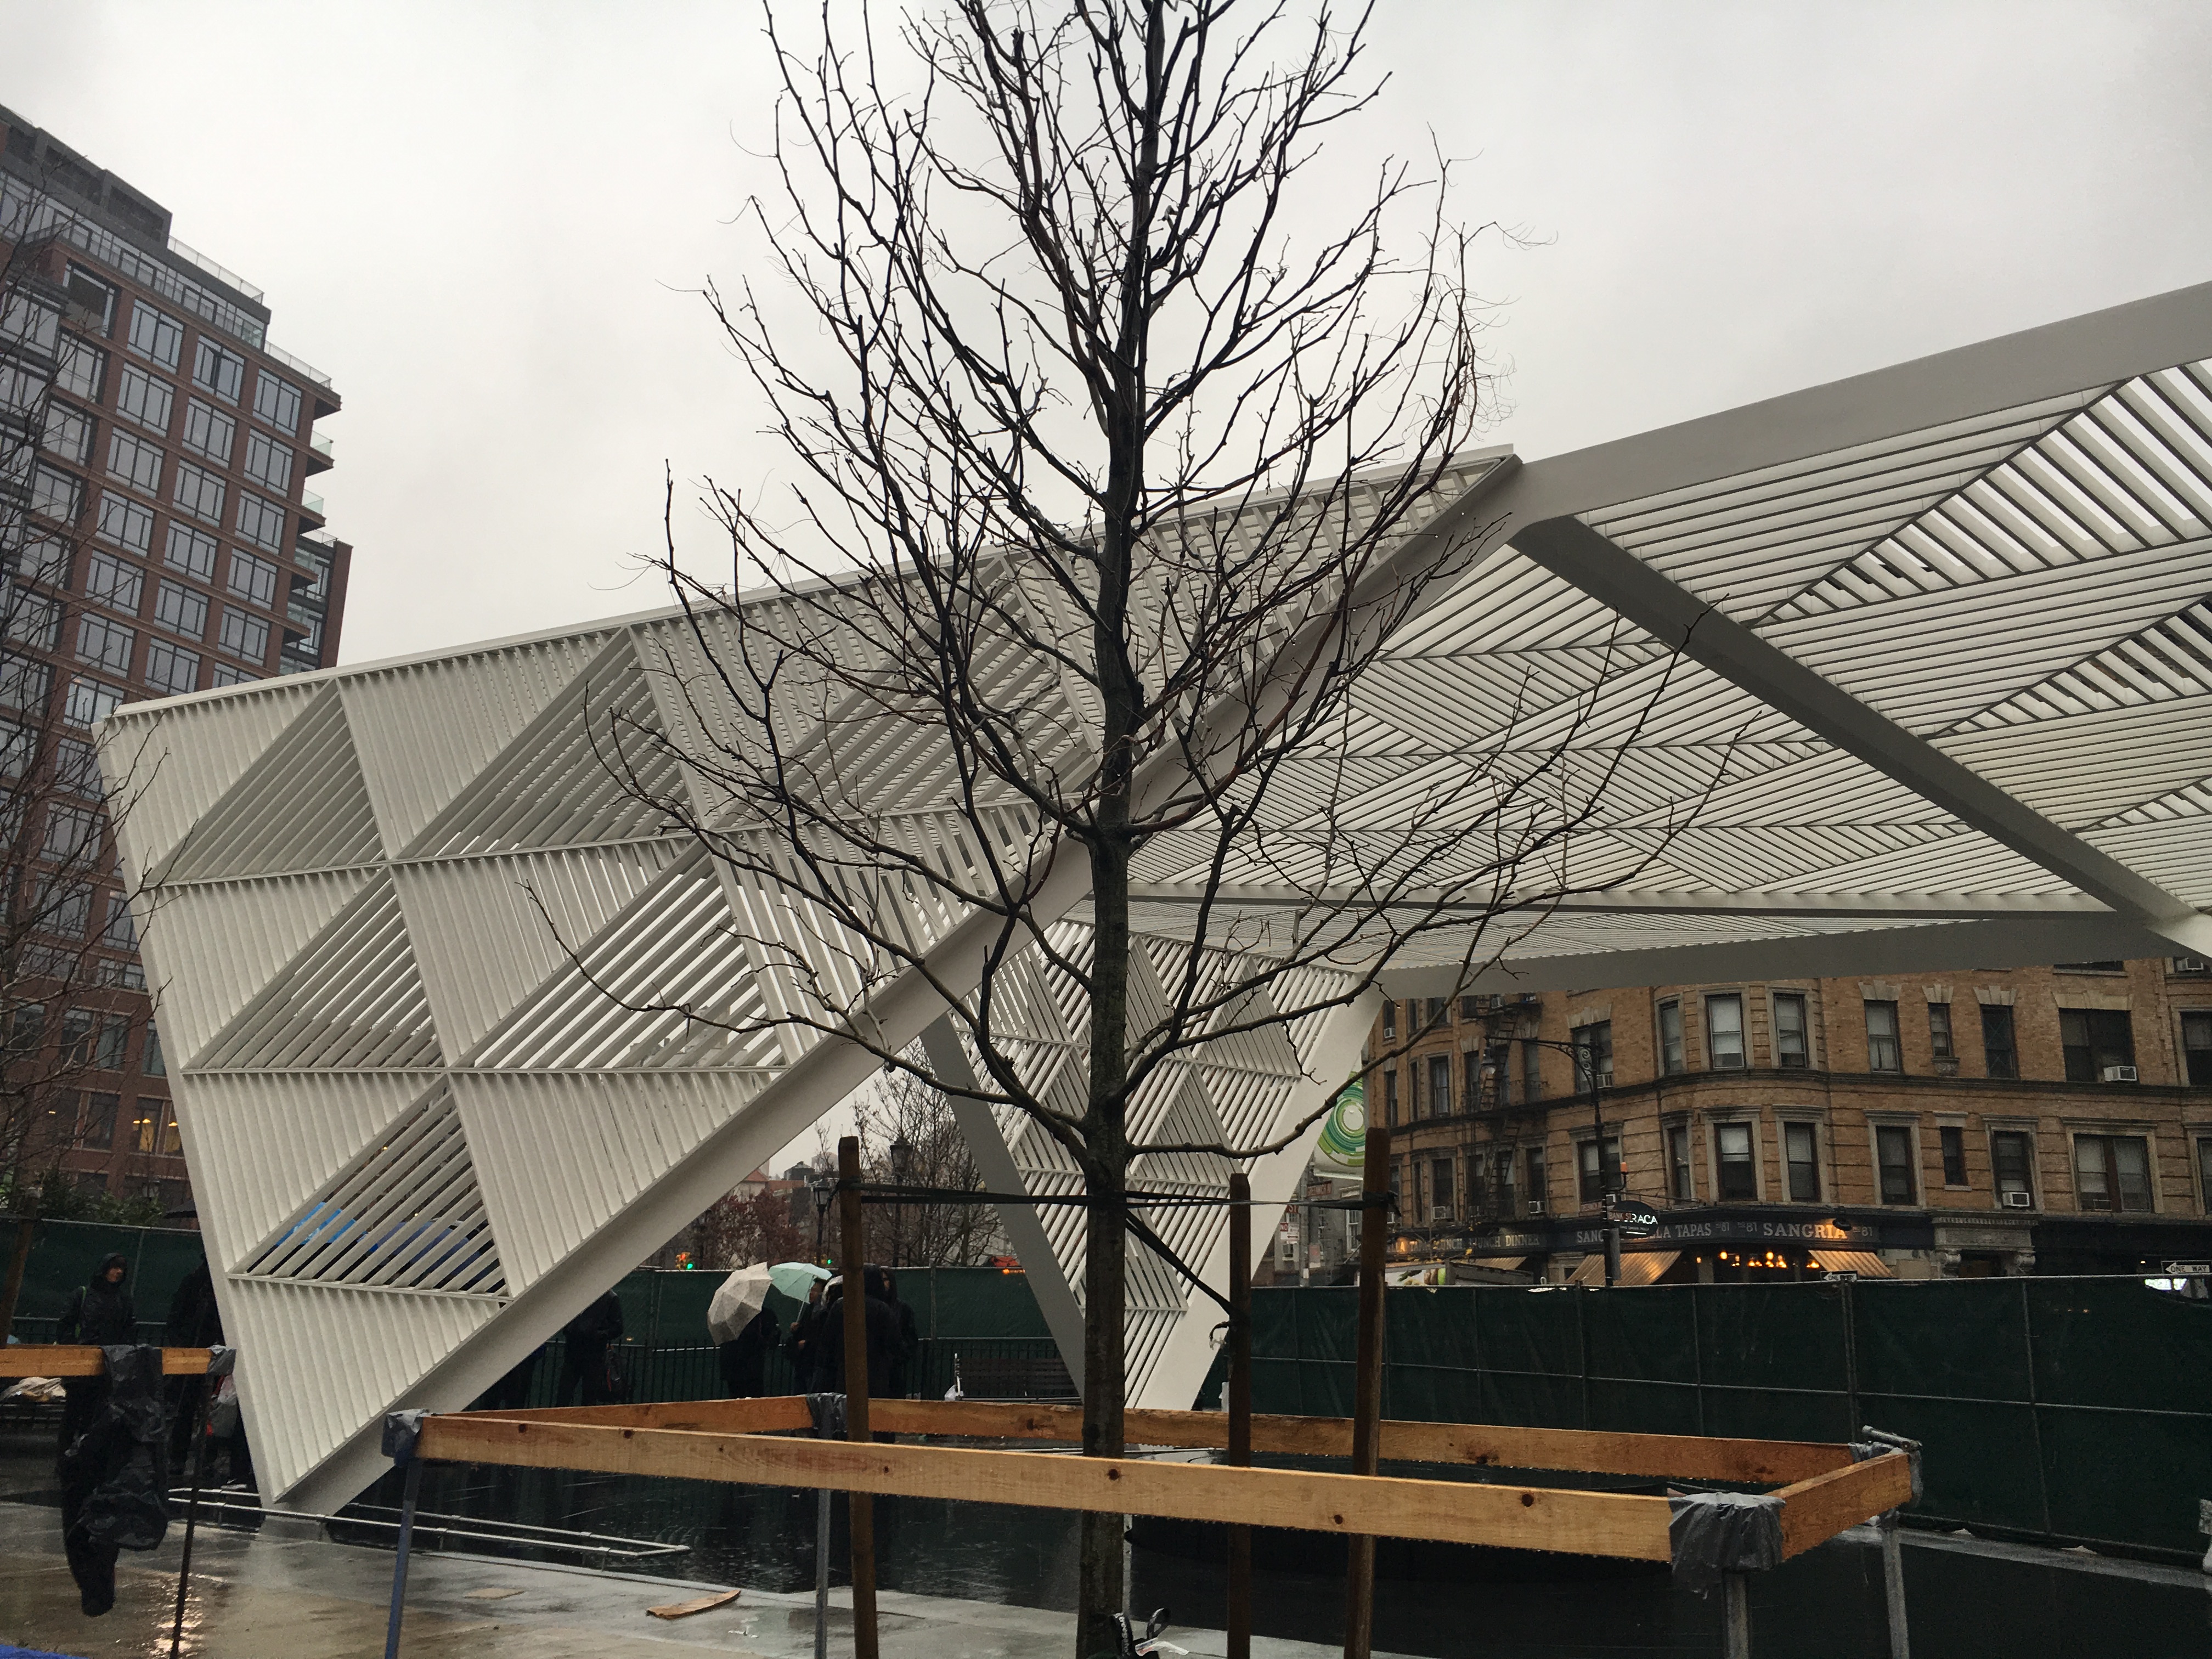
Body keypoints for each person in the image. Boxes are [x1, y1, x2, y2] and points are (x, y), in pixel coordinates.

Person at [56, 1255, 137, 1453]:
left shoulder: (122, 1300)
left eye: (121, 1269)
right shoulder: (85, 1295)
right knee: (76, 1413)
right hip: (87, 1365)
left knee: (91, 1414)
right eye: (115, 1268)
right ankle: (71, 1456)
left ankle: (79, 1457)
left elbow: (129, 1330)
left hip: (106, 1365)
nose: (118, 1272)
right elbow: (65, 1325)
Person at [556, 1291, 625, 1407]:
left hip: (591, 1353)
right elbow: (617, 1327)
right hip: (578, 1351)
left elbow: (618, 1327)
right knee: (567, 1392)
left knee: (586, 1394)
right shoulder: (608, 1297)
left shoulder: (609, 1298)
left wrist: (597, 1335)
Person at [716, 1306, 778, 1398]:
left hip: (738, 1366)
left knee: (739, 1398)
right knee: (752, 1398)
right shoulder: (761, 1314)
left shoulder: (728, 1316)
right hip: (748, 1366)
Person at [787, 1280, 827, 1394]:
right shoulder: (810, 1309)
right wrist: (797, 1329)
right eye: (811, 1290)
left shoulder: (822, 1312)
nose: (811, 1293)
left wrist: (806, 1343)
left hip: (811, 1361)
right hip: (803, 1362)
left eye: (815, 1290)